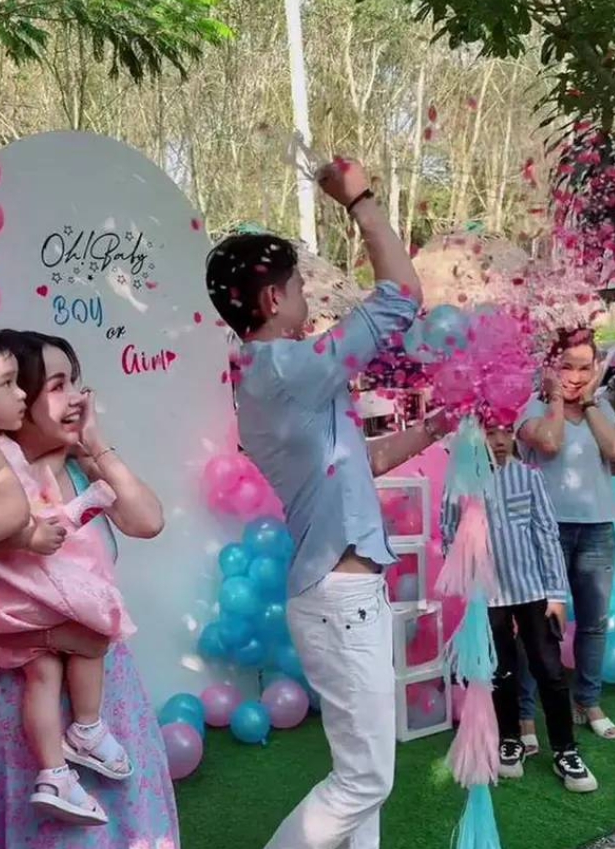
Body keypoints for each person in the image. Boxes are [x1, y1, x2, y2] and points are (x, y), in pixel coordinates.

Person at [207, 157, 448, 849]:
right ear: (269, 300)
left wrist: (433, 427)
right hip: (341, 600)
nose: (305, 297)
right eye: (296, 287)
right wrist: (360, 199)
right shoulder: (287, 369)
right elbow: (401, 295)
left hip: (338, 596)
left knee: (356, 776)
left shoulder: (272, 378)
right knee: (365, 782)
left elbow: (363, 463)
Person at [0, 330, 180, 848]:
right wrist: (51, 638)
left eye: (74, 382)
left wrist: (97, 446)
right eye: (57, 385)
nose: (77, 397)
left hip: (104, 697)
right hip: (25, 696)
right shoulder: (2, 495)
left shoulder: (82, 469)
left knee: (130, 828)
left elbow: (147, 521)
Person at [441, 423, 597, 792]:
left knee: (549, 669)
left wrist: (556, 594)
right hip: (487, 596)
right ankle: (509, 738)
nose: (497, 441)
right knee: (500, 669)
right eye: (488, 432)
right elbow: (448, 533)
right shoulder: (461, 482)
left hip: (532, 591)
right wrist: (468, 574)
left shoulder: (529, 477)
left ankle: (564, 749)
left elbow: (546, 534)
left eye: (503, 431)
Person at [517, 327, 615, 744]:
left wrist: (589, 401)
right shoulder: (532, 407)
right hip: (546, 532)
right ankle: (524, 712)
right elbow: (550, 444)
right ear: (550, 368)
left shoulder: (602, 408)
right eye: (566, 367)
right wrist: (556, 397)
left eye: (584, 368)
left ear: (596, 369)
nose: (575, 377)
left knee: (593, 623)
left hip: (597, 528)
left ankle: (587, 700)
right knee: (537, 626)